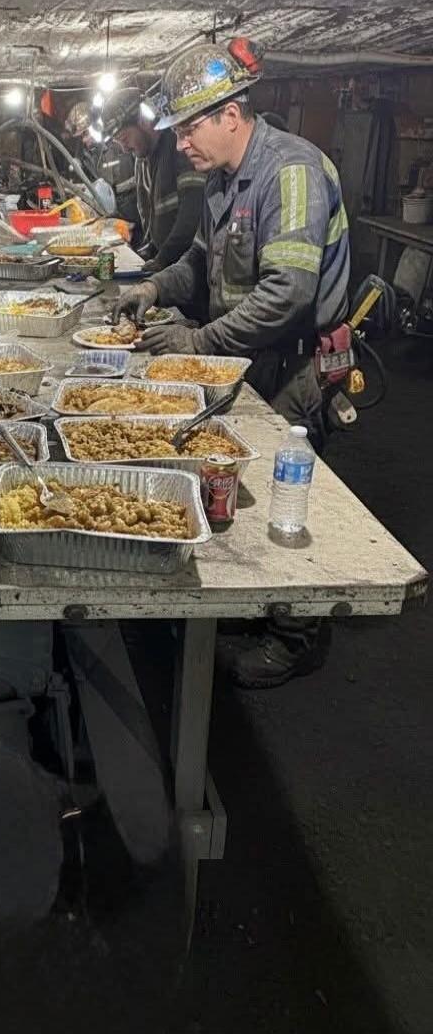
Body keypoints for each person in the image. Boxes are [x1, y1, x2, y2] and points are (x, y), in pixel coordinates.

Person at [114, 39, 351, 688]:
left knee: (292, 497)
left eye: (190, 127)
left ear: (231, 114)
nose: (181, 143)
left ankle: (296, 638)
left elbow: (289, 294)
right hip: (247, 361)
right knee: (236, 488)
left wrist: (197, 343)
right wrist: (155, 288)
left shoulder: (290, 173)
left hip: (299, 366)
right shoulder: (222, 183)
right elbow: (199, 261)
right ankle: (258, 608)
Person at [113, 103, 205, 269]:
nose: (124, 149)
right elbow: (159, 216)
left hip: (189, 269)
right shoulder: (152, 157)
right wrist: (151, 250)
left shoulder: (177, 148)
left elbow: (191, 215)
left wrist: (162, 259)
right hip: (171, 266)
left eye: (125, 139)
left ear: (142, 121)